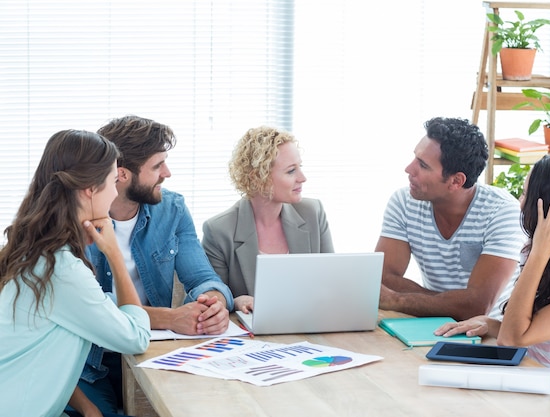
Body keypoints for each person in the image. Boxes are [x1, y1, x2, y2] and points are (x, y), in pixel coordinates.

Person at [436, 155, 550, 406]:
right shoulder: (549, 257)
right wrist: (489, 323)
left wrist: (539, 253)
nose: (519, 203)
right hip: (542, 388)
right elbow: (527, 329)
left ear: (548, 209)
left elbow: (513, 339)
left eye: (526, 195)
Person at [78, 115, 234, 414]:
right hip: (89, 360)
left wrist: (213, 304)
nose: (167, 173)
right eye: (157, 166)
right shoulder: (77, 217)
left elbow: (202, 277)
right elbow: (90, 308)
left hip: (151, 351)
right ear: (121, 174)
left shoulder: (172, 209)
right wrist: (169, 317)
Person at [0, 130, 151, 417]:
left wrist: (87, 407)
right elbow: (135, 337)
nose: (115, 192)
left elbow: (38, 350)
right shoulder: (61, 269)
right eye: (111, 182)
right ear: (89, 189)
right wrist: (115, 255)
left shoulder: (35, 252)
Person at [376, 117, 525, 320]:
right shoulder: (404, 201)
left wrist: (397, 300)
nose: (409, 170)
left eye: (423, 165)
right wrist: (453, 303)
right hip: (430, 323)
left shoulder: (502, 212)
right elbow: (382, 278)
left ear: (456, 181)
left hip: (488, 332)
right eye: (414, 158)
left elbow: (478, 306)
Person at [202, 126, 334, 312]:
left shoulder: (313, 212)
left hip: (309, 325)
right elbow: (213, 298)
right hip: (256, 336)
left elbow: (331, 284)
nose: (303, 178)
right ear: (258, 178)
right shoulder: (219, 230)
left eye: (300, 167)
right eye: (291, 171)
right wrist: (236, 301)